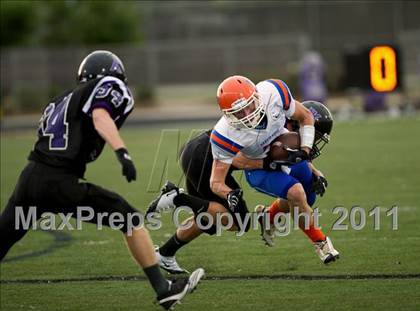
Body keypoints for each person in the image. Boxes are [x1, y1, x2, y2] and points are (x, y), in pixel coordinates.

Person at [0, 50, 204, 310]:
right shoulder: (109, 85)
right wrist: (122, 152)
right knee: (129, 218)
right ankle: (163, 289)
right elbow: (100, 115)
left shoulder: (62, 98)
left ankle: (164, 289)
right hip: (59, 178)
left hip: (30, 177)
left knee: (4, 237)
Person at [147, 76, 338, 272]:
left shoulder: (275, 95)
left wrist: (311, 166)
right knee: (237, 222)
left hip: (213, 155)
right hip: (203, 159)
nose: (247, 114)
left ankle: (165, 253)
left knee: (207, 219)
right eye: (239, 112)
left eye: (249, 106)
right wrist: (261, 167)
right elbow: (224, 173)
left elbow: (299, 126)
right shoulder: (227, 133)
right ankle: (178, 198)